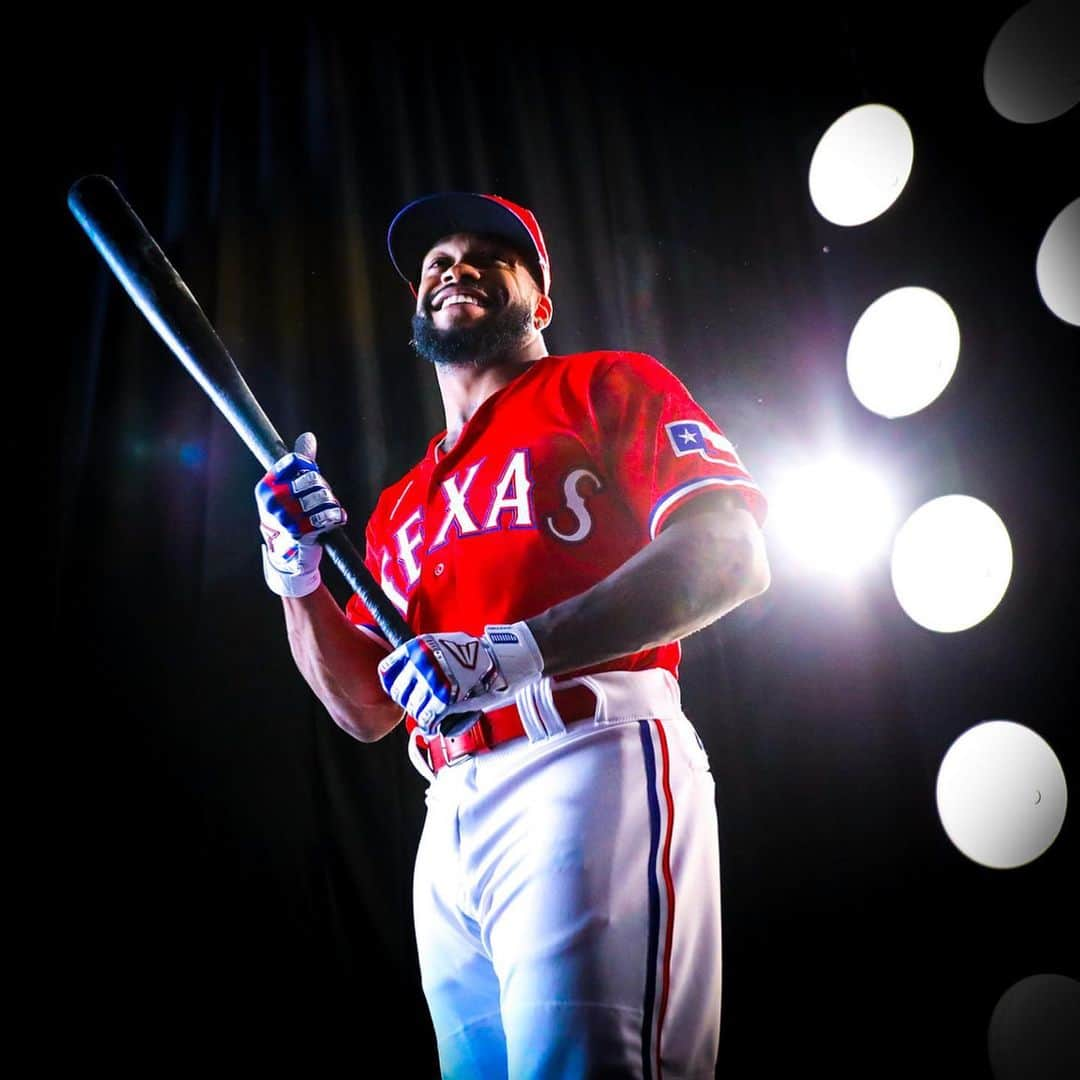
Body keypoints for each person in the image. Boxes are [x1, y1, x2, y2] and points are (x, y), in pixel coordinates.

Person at [254, 192, 771, 1079]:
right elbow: (366, 711)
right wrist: (295, 576)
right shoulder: (398, 506)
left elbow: (730, 554)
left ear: (541, 301)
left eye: (488, 255)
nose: (453, 267)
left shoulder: (605, 383)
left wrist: (514, 652)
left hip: (585, 756)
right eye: (435, 263)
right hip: (447, 807)